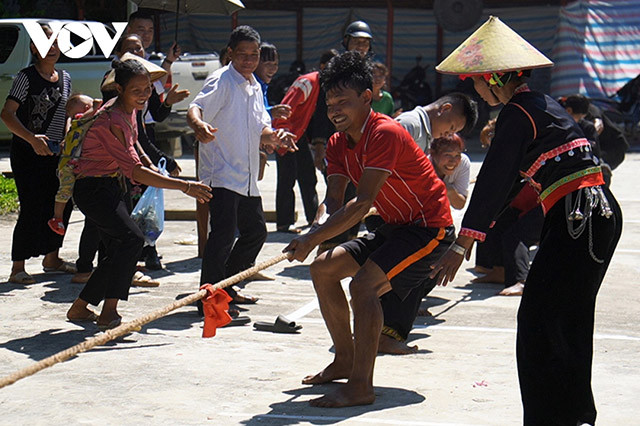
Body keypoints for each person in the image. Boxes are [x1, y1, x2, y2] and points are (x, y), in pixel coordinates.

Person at [432, 16, 622, 424]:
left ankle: (550, 417)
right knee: (566, 317)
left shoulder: (518, 113)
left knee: (539, 320)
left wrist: (460, 246)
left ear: (496, 78)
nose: (477, 89)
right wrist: (476, 230)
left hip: (578, 216)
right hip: (590, 214)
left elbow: (494, 181)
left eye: (479, 81)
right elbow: (513, 192)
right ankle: (572, 414)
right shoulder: (541, 105)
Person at [284, 51, 455, 407]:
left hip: (429, 230)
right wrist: (317, 230)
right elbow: (334, 199)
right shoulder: (335, 143)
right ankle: (344, 360)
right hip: (395, 227)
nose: (334, 110)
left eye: (343, 101)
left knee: (364, 287)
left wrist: (314, 237)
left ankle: (361, 385)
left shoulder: (385, 133)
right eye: (329, 103)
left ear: (367, 97)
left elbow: (361, 204)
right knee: (323, 268)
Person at [65, 58, 211, 329]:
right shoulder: (112, 118)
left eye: (147, 89)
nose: (144, 95)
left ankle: (80, 307)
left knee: (119, 248)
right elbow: (135, 170)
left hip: (112, 186)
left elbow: (136, 147)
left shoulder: (131, 110)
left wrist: (152, 164)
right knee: (131, 240)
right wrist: (186, 186)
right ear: (119, 89)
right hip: (93, 189)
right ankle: (109, 311)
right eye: (137, 90)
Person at [187, 25, 296, 309]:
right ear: (231, 53)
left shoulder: (254, 86)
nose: (249, 60)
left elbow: (261, 128)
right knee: (221, 237)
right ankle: (208, 300)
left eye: (254, 54)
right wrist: (198, 125)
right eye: (243, 54)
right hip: (221, 173)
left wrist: (276, 137)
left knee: (256, 232)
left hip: (245, 178)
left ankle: (228, 288)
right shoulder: (221, 81)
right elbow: (195, 108)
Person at [1, 23, 76, 284]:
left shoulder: (65, 77)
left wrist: (67, 134)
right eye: (46, 41)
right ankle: (17, 267)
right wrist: (32, 139)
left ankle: (52, 257)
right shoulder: (26, 77)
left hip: (56, 153)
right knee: (32, 207)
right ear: (34, 47)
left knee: (62, 204)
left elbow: (66, 112)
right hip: (27, 151)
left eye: (56, 41)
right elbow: (7, 114)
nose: (52, 47)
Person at [272, 50, 339, 234]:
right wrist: (282, 134)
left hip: (298, 135)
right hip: (286, 133)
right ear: (324, 67)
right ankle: (284, 223)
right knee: (287, 178)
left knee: (308, 176)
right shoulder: (307, 82)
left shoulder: (323, 86)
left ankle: (313, 218)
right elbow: (286, 107)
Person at [395, 92, 477, 153]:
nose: (447, 135)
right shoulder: (410, 124)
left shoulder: (428, 135)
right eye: (451, 128)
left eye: (453, 132)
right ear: (445, 109)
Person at [429, 134, 470, 210]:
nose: (453, 161)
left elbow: (460, 205)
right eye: (447, 155)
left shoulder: (463, 162)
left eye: (457, 155)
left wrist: (448, 190)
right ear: (433, 154)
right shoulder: (423, 165)